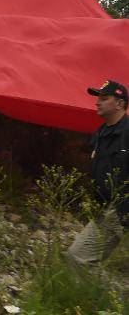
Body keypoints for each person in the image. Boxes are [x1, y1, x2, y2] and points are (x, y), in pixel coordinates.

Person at [68, 80, 128, 264]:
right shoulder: (99, 135)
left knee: (79, 258)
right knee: (77, 257)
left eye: (104, 98)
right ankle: (88, 292)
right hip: (105, 208)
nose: (97, 102)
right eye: (97, 98)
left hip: (122, 208)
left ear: (120, 104)